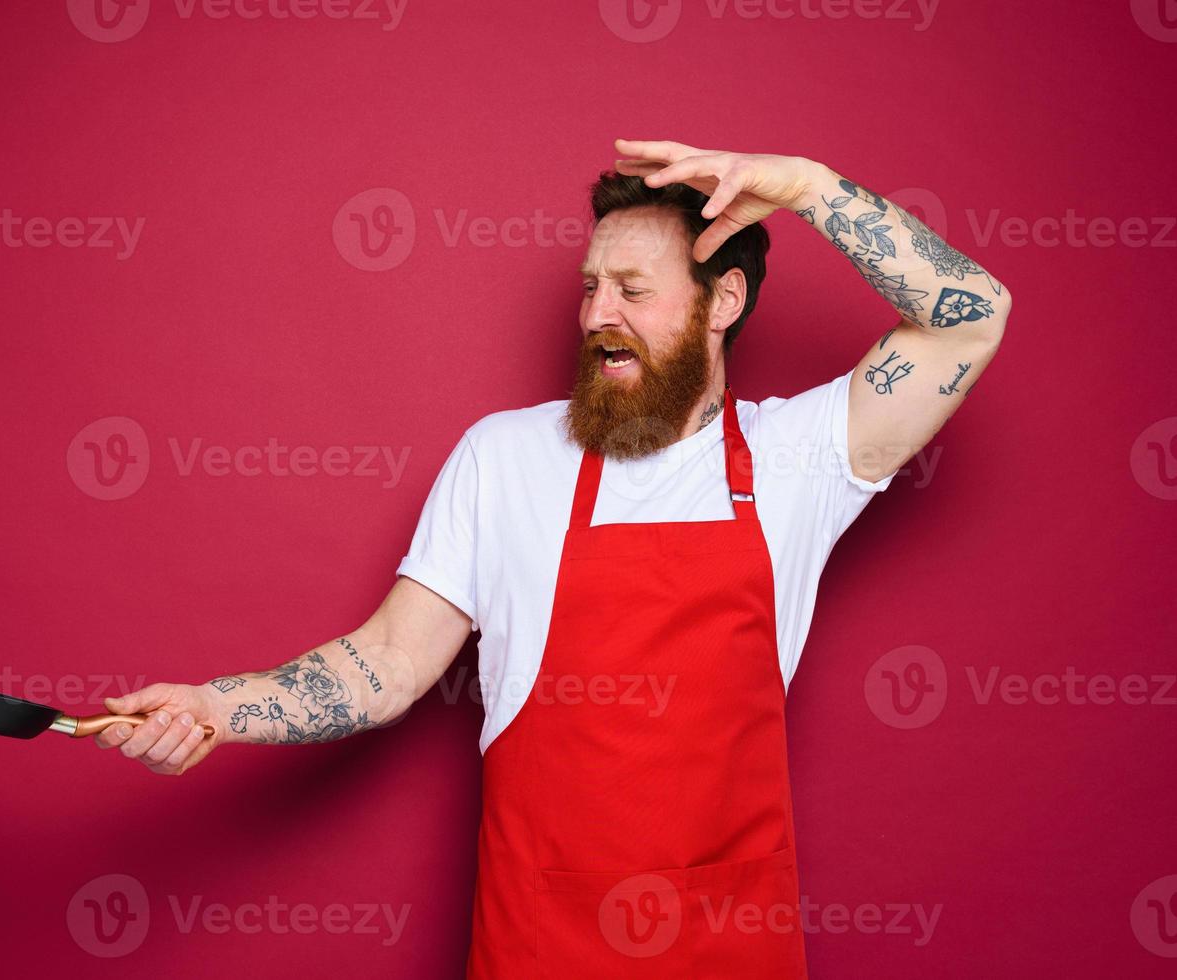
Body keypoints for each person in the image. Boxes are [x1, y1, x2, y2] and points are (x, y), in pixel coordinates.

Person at [92, 140, 1010, 976]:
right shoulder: (505, 456)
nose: (596, 315)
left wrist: (805, 187)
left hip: (731, 946)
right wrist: (215, 710)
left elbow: (971, 316)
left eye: (632, 290)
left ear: (722, 300)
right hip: (541, 943)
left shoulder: (797, 459)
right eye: (589, 286)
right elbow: (388, 663)